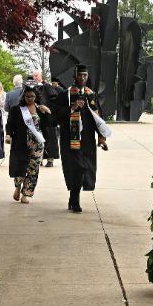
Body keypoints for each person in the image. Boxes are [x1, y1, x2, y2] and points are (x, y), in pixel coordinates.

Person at [54, 64, 111, 214]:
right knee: (76, 168)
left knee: (85, 169)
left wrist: (102, 138)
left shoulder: (91, 95)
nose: (83, 78)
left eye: (85, 75)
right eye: (80, 75)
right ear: (75, 76)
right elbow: (55, 116)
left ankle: (73, 197)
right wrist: (72, 108)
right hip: (70, 139)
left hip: (87, 139)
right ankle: (75, 198)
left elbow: (98, 118)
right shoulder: (65, 95)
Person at [7, 85, 54, 203]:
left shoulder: (40, 109)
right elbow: (10, 124)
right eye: (27, 96)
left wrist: (47, 112)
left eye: (32, 96)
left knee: (33, 170)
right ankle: (18, 187)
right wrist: (8, 135)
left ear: (36, 96)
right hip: (21, 143)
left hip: (37, 145)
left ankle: (26, 194)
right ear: (24, 96)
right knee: (20, 168)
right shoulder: (16, 109)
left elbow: (49, 124)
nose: (30, 98)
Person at [42, 78, 63, 168]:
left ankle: (50, 159)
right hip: (40, 119)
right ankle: (41, 158)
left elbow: (56, 102)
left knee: (50, 139)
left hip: (49, 118)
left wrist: (50, 110)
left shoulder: (48, 87)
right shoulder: (35, 88)